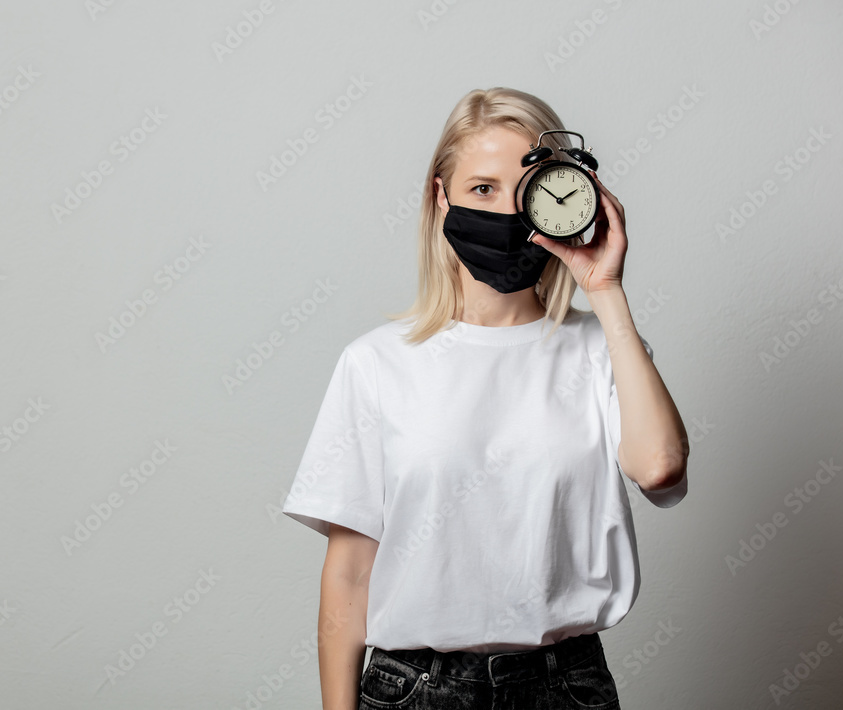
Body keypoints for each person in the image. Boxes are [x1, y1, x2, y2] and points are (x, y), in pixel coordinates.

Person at [281, 86, 689, 710]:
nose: (504, 212)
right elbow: (350, 571)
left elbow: (660, 469)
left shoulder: (602, 351)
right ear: (439, 197)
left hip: (564, 686)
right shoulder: (376, 363)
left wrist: (605, 291)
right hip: (414, 689)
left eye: (528, 192)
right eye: (482, 189)